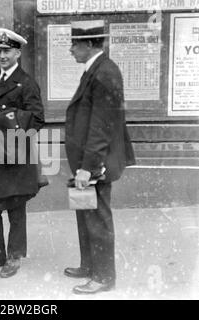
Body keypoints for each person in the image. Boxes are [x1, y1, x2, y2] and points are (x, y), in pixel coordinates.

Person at [64, 20, 135, 294]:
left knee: (98, 217)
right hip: (89, 160)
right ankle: (90, 265)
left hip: (96, 162)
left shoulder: (104, 73)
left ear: (90, 44)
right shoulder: (96, 69)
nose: (71, 49)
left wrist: (88, 167)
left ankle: (104, 276)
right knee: (86, 212)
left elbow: (101, 126)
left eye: (75, 44)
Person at [0, 28, 45, 278]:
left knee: (15, 207)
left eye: (7, 51)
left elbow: (37, 119)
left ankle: (14, 256)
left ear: (18, 53)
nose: (2, 55)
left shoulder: (27, 83)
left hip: (14, 154)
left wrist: (9, 131)